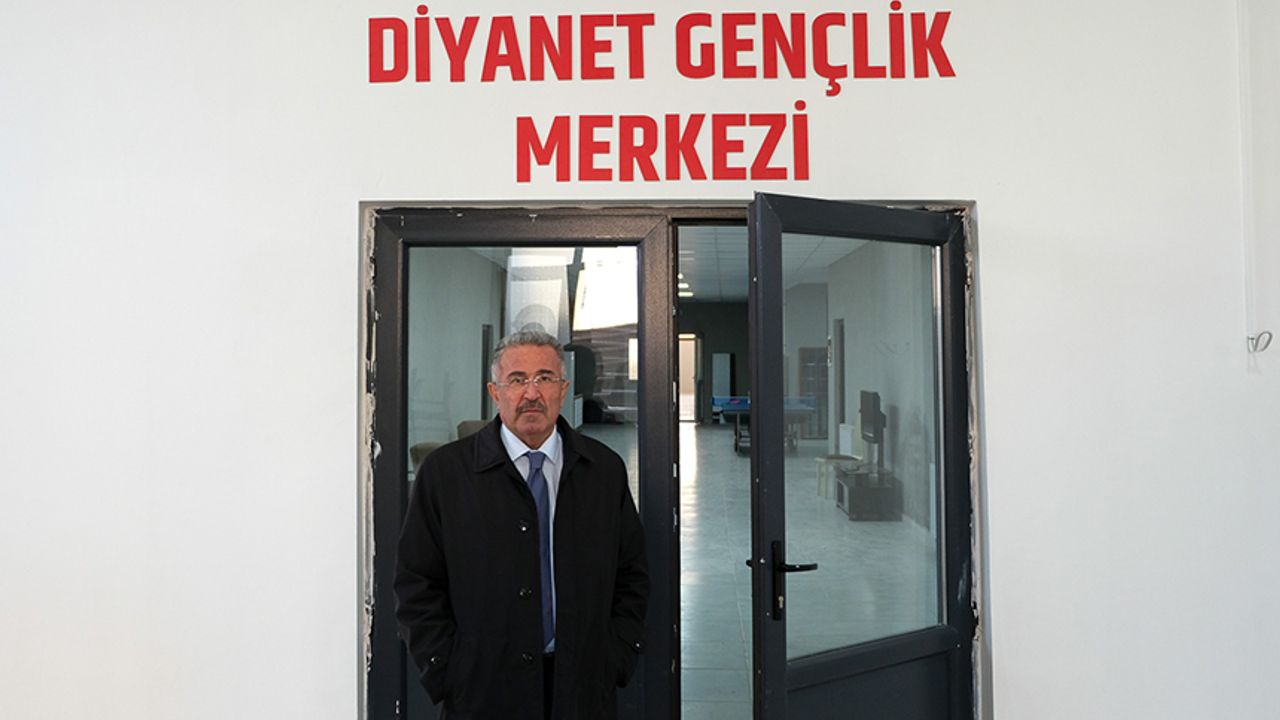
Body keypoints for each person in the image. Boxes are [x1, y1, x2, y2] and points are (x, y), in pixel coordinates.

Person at [395, 330, 649, 720]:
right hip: (482, 694)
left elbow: (632, 574)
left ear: (563, 389)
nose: (532, 393)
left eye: (544, 378)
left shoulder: (604, 470)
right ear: (495, 393)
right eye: (517, 380)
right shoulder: (445, 475)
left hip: (583, 690)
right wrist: (447, 670)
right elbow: (416, 582)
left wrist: (615, 658)